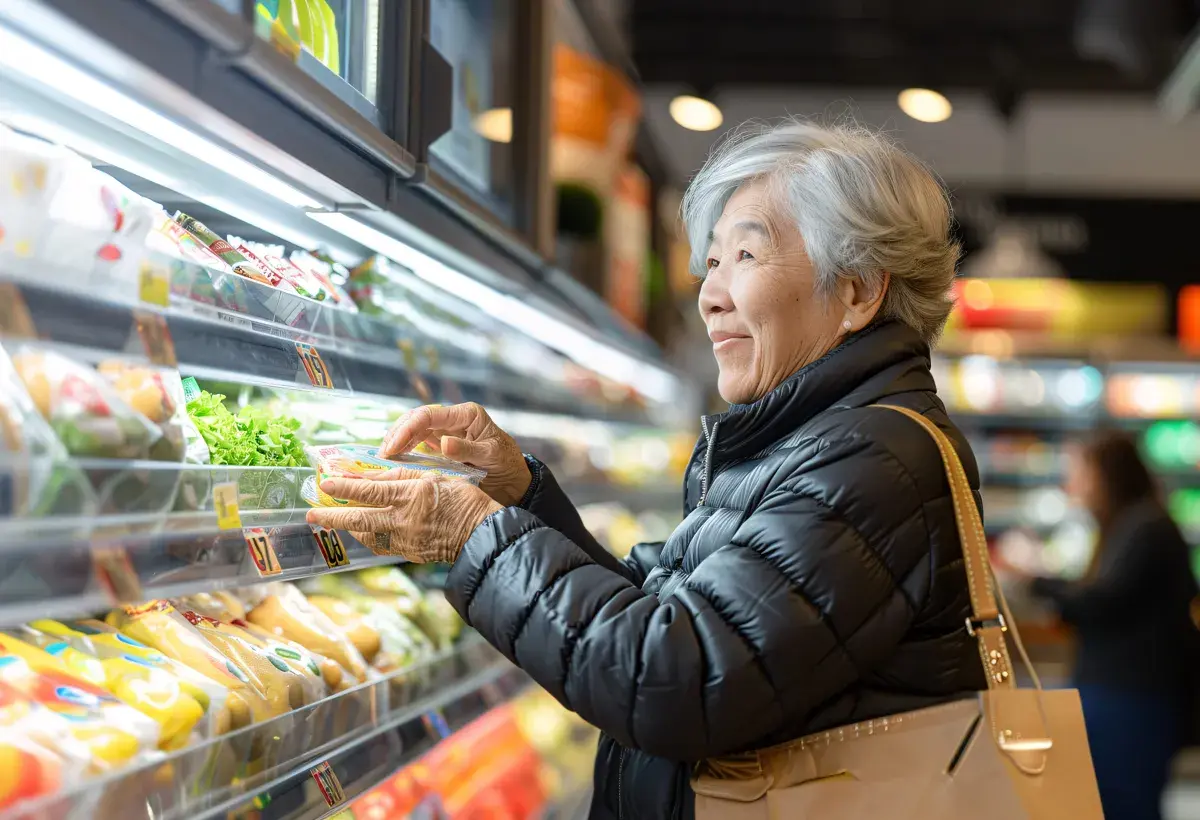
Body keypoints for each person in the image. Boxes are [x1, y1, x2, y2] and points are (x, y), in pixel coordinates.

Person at [307, 119, 987, 819]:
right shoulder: (808, 440)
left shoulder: (873, 463)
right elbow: (680, 623)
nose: (710, 296)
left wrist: (475, 534)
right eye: (711, 263)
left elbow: (672, 680)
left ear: (856, 292)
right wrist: (523, 497)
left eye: (745, 255)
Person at [1028, 431, 1199, 820]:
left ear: (1107, 474)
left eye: (1081, 473)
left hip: (1131, 697)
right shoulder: (1133, 524)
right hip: (1125, 693)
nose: (1074, 485)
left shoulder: (1145, 526)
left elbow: (1103, 601)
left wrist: (1035, 580)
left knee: (1124, 801)